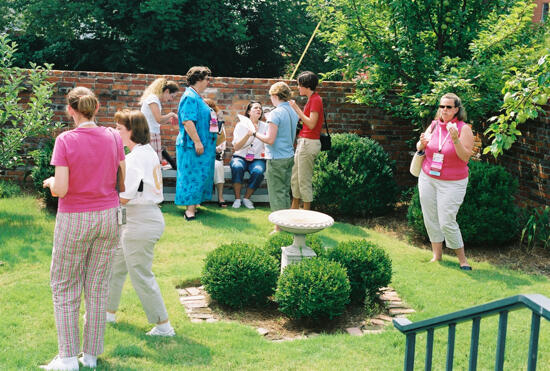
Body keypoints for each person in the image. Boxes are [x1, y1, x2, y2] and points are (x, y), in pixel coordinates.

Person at [41, 87, 125, 370]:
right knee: (98, 287)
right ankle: (90, 357)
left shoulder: (65, 140)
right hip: (109, 216)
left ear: (70, 110)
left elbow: (61, 188)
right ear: (96, 109)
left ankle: (67, 359)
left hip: (76, 217)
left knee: (64, 286)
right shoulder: (114, 136)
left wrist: (51, 183)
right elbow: (121, 178)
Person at [106, 109, 175, 337]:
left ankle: (163, 325)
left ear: (131, 131)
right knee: (115, 267)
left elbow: (125, 195)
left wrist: (101, 195)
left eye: (119, 128)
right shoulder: (144, 152)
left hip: (141, 220)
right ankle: (107, 313)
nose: (116, 131)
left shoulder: (135, 157)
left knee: (140, 274)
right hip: (138, 218)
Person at [416, 93, 474, 270]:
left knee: (447, 220)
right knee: (430, 216)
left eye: (449, 107)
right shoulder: (433, 126)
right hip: (428, 177)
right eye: (442, 107)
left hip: (453, 182)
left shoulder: (464, 129)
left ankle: (463, 260)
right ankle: (437, 255)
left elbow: (465, 157)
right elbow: (420, 148)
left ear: (457, 109)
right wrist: (421, 144)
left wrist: (455, 140)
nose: (445, 110)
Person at [255, 82, 298, 231]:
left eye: (270, 96)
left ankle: (279, 227)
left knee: (276, 193)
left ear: (274, 95)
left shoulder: (275, 113)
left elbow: (270, 139)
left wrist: (254, 133)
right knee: (284, 191)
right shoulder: (292, 111)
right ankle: (285, 224)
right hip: (289, 156)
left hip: (277, 157)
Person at [175, 66, 216, 220]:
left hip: (202, 144)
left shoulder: (196, 96)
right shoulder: (190, 97)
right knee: (191, 175)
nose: (208, 82)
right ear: (198, 79)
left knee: (199, 175)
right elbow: (187, 121)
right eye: (207, 79)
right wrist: (198, 142)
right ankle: (189, 210)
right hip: (191, 146)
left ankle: (194, 204)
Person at [289, 71, 323, 210]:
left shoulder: (316, 100)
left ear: (306, 85)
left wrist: (296, 109)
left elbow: (311, 124)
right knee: (295, 177)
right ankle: (294, 208)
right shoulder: (311, 99)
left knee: (304, 180)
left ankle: (306, 213)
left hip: (309, 143)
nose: (298, 88)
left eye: (299, 85)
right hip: (304, 142)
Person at [230, 101, 268, 209]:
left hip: (257, 158)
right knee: (237, 167)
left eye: (260, 108)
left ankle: (246, 198)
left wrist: (257, 133)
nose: (258, 110)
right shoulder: (240, 125)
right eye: (255, 108)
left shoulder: (265, 126)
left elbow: (267, 144)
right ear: (248, 112)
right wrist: (248, 135)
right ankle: (237, 199)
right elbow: (236, 147)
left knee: (258, 171)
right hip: (240, 156)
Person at [139, 78, 179, 162]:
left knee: (154, 163)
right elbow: (159, 119)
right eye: (172, 96)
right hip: (149, 134)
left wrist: (169, 120)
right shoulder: (153, 99)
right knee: (152, 163)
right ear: (167, 91)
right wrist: (171, 114)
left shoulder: (154, 99)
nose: (171, 99)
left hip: (152, 134)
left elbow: (156, 120)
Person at [204, 98, 228, 207]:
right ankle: (199, 197)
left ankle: (220, 197)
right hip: (201, 156)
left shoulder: (219, 125)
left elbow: (223, 142)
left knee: (218, 166)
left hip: (215, 156)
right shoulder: (199, 124)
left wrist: (218, 148)